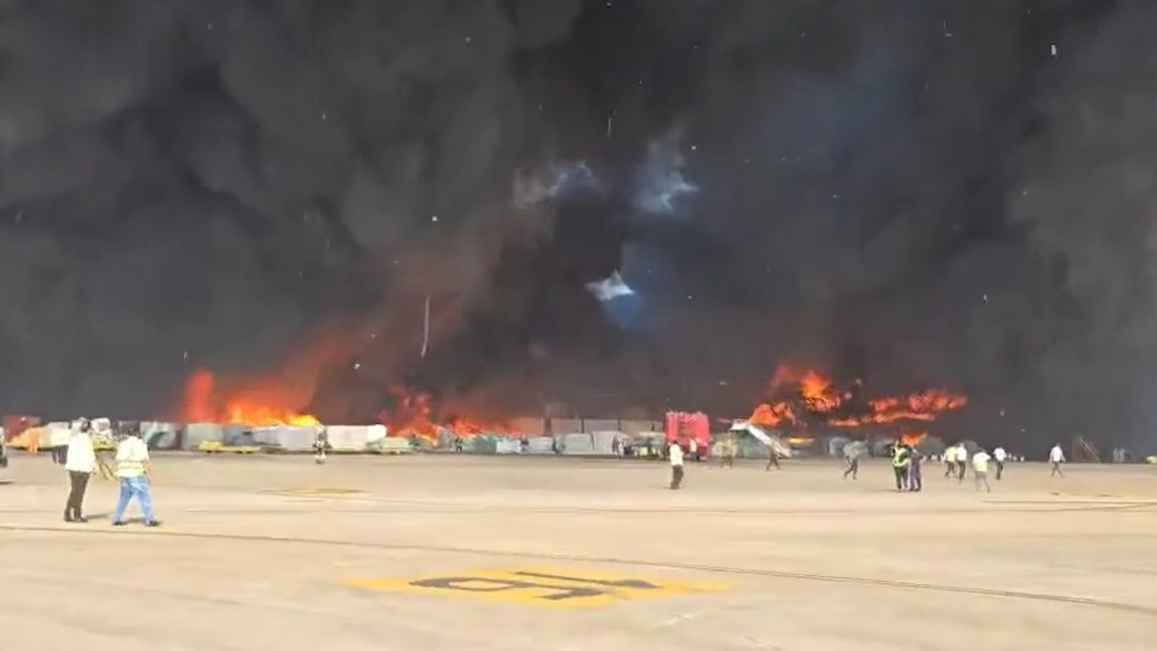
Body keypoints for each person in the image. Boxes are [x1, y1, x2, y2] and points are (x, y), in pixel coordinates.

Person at [112, 429, 160, 527]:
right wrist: (148, 473)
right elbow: (144, 459)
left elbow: (117, 459)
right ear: (138, 434)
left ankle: (117, 518)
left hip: (124, 473)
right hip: (136, 473)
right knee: (144, 497)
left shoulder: (122, 444)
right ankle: (150, 519)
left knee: (124, 498)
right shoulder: (140, 444)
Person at [64, 418, 96, 522]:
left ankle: (67, 512)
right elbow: (90, 455)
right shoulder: (86, 439)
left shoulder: (73, 438)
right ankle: (76, 514)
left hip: (74, 468)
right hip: (82, 468)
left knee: (74, 491)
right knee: (79, 493)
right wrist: (93, 467)